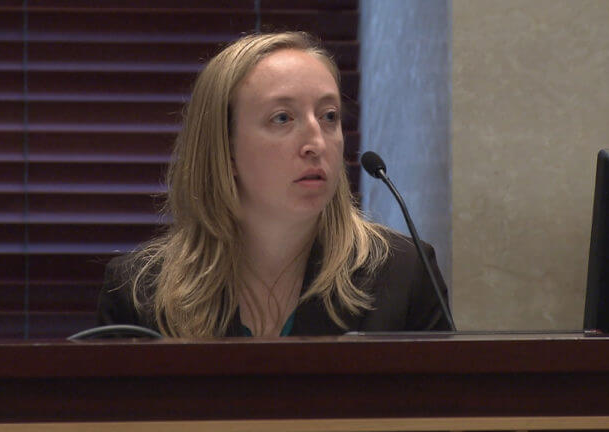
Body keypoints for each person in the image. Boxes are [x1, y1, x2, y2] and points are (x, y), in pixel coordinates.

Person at [97, 31, 451, 337]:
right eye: (282, 118)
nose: (317, 142)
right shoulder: (140, 292)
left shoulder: (405, 274)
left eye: (329, 116)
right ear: (226, 150)